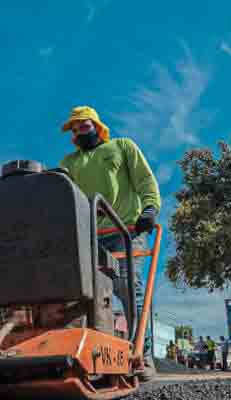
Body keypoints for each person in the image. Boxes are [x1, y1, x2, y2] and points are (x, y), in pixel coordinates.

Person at [59, 106, 162, 381]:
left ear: (97, 126)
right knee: (87, 294)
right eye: (75, 128)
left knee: (128, 288)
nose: (80, 131)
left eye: (84, 125)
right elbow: (63, 194)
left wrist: (150, 208)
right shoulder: (70, 162)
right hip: (90, 234)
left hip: (126, 230)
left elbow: (144, 178)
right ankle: (97, 355)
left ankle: (143, 355)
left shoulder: (122, 146)